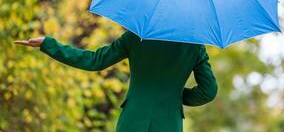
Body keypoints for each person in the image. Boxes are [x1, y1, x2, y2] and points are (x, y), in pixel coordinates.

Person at [14, 29, 218, 132]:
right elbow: (208, 91)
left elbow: (94, 61)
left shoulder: (136, 37)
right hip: (169, 123)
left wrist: (49, 44)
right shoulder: (194, 46)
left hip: (132, 120)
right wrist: (175, 94)